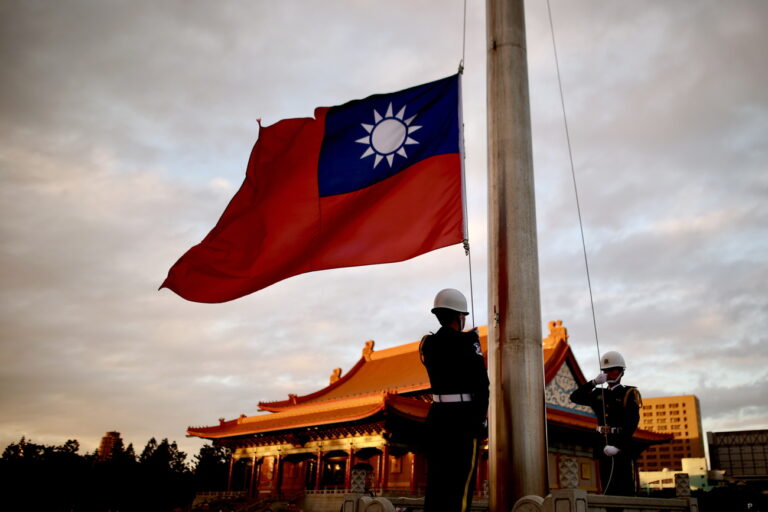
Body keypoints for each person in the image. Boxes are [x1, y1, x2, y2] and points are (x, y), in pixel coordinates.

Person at [419, 288, 490, 512]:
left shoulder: (428, 344)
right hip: (463, 420)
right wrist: (480, 421)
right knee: (460, 485)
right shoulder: (468, 342)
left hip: (437, 418)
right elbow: (482, 386)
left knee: (437, 485)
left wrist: (469, 339)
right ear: (460, 317)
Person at [570, 350, 642, 496]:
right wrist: (593, 382)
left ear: (621, 372)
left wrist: (618, 446)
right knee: (607, 486)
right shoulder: (598, 393)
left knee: (622, 487)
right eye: (606, 371)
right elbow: (575, 397)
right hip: (602, 443)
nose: (609, 374)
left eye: (613, 370)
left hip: (619, 445)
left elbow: (631, 423)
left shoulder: (628, 394)